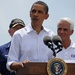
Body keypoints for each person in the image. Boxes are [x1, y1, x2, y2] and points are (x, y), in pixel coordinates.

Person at [6, 1, 55, 72]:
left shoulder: (51, 35)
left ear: (46, 16)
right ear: (30, 13)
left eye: (40, 12)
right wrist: (20, 64)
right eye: (33, 11)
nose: (35, 14)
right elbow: (10, 63)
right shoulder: (19, 35)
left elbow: (55, 62)